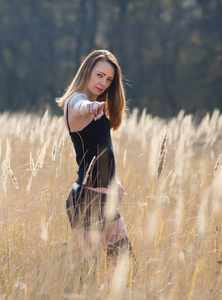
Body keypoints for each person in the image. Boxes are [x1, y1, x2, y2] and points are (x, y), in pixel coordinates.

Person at [56, 50, 133, 263]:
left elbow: (98, 149)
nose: (103, 82)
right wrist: (89, 107)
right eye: (99, 75)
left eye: (108, 79)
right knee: (83, 276)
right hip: (88, 202)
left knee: (124, 267)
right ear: (87, 71)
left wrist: (113, 182)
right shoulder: (77, 100)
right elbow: (79, 106)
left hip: (103, 201)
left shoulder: (94, 103)